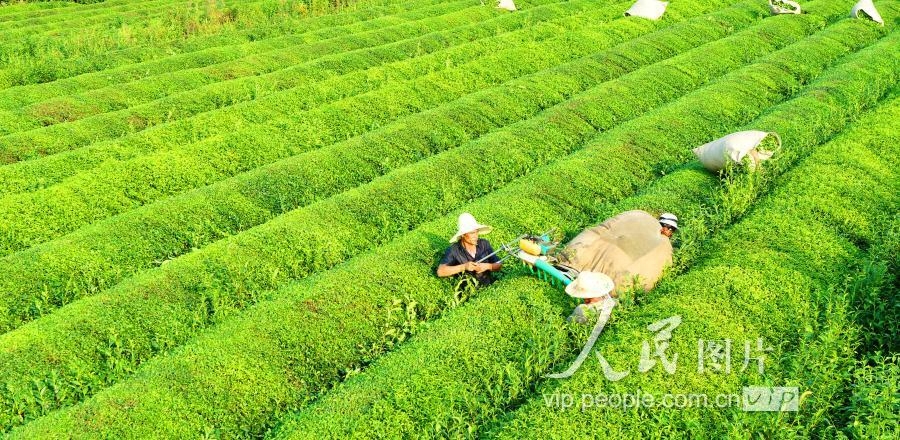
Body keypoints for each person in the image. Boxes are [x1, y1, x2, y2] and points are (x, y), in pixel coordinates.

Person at [436, 212, 503, 286]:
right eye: (472, 233)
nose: (476, 236)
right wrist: (464, 267)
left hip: (488, 286)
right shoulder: (454, 250)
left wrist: (488, 266)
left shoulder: (484, 244)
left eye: (476, 232)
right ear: (463, 235)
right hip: (468, 292)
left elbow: (498, 264)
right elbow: (441, 271)